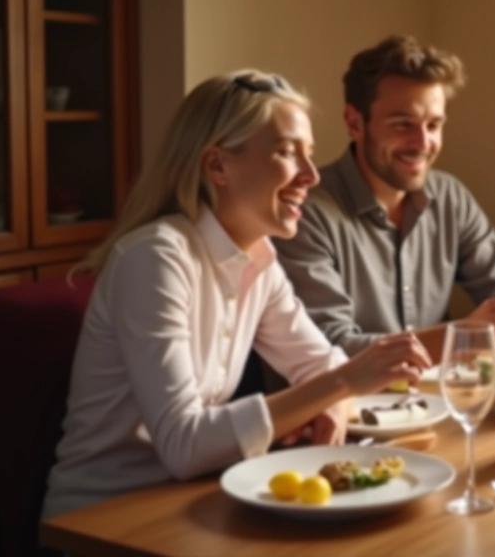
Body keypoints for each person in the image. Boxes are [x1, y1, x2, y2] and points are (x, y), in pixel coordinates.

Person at [42, 70, 431, 519]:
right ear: (217, 165)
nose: (310, 176)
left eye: (310, 155)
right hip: (104, 521)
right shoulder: (154, 258)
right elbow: (184, 446)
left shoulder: (258, 258)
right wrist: (338, 386)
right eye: (287, 153)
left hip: (191, 503)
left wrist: (332, 403)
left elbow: (322, 365)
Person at [271, 35, 495, 360]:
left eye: (434, 125)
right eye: (403, 125)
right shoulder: (305, 213)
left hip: (432, 402)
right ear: (355, 123)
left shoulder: (450, 197)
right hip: (344, 410)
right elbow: (329, 349)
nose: (423, 143)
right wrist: (468, 335)